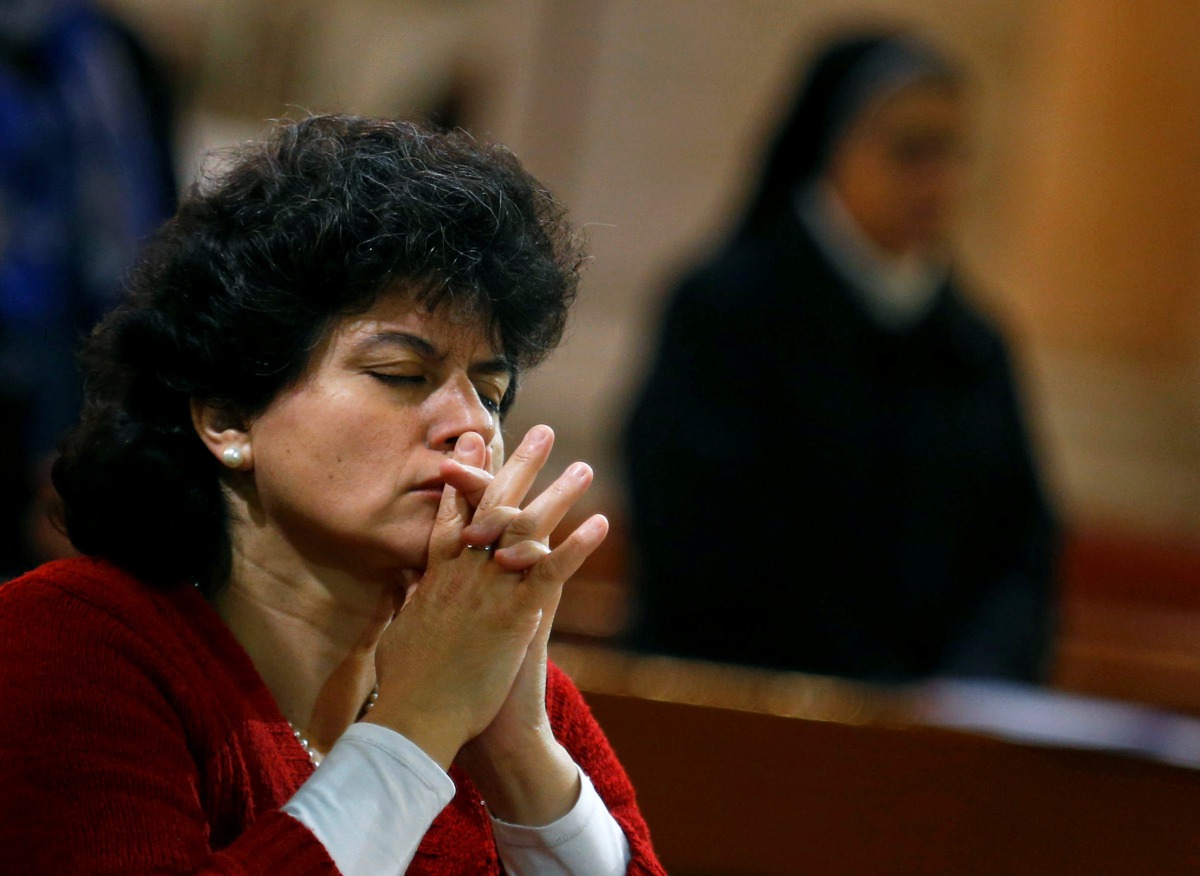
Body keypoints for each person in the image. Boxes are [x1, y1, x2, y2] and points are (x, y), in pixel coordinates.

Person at [0, 114, 665, 875]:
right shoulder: (69, 645)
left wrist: (517, 751)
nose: (468, 427)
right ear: (227, 415)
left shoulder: (497, 677)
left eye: (492, 390)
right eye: (400, 376)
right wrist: (422, 722)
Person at [623, 32, 1057, 683]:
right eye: (912, 151)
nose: (941, 183)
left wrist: (975, 678)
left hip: (941, 722)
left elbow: (1021, 551)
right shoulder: (728, 311)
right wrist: (863, 687)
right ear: (831, 148)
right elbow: (696, 535)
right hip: (744, 702)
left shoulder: (972, 346)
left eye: (954, 153)